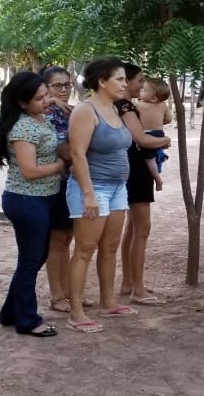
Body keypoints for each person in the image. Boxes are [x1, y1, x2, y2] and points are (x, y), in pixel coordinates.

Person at [66, 57, 137, 333]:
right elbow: (77, 153)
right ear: (101, 82)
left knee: (109, 247)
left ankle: (108, 302)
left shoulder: (115, 108)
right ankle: (76, 313)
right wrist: (88, 194)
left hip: (118, 189)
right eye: (119, 79)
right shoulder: (86, 110)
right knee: (84, 250)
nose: (124, 83)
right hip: (94, 189)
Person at [0, 71, 65, 337]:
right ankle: (27, 320)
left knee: (35, 257)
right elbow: (30, 171)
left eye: (48, 94)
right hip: (26, 200)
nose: (47, 100)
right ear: (23, 102)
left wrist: (54, 102)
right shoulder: (23, 127)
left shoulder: (39, 118)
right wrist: (60, 165)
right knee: (30, 259)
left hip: (42, 198)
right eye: (40, 98)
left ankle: (11, 312)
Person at [117, 64, 172, 305]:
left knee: (132, 228)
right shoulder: (127, 106)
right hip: (136, 169)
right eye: (139, 81)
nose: (141, 85)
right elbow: (141, 139)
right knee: (142, 229)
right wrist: (163, 141)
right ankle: (137, 289)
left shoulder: (123, 105)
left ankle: (128, 282)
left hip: (130, 168)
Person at [42, 66, 78, 313]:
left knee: (67, 238)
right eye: (58, 86)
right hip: (53, 181)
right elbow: (60, 146)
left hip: (71, 180)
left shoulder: (72, 111)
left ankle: (67, 291)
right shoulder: (43, 112)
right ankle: (57, 295)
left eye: (67, 85)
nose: (64, 90)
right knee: (57, 239)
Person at [135, 77, 172, 191]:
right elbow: (169, 119)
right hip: (159, 133)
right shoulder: (163, 106)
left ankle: (157, 179)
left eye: (144, 90)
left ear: (154, 98)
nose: (140, 91)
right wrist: (158, 122)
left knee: (149, 159)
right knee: (155, 152)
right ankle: (160, 156)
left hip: (146, 135)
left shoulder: (138, 105)